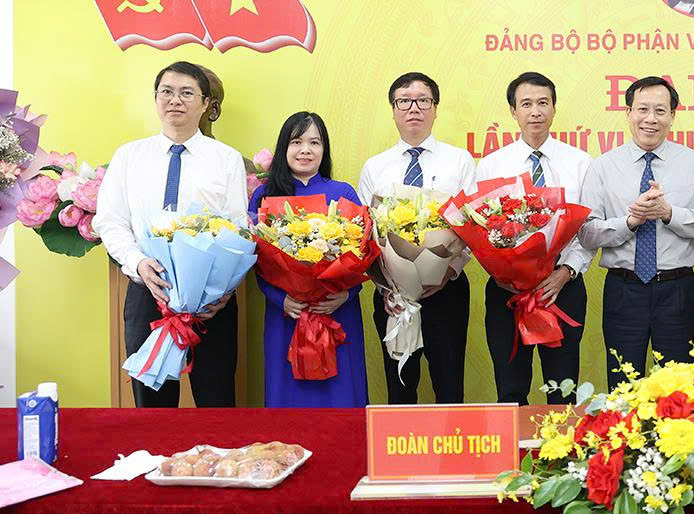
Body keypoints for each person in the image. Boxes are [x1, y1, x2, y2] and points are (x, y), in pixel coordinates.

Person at [94, 60, 247, 407]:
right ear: (156, 98)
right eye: (167, 91)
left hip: (211, 301)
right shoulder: (129, 156)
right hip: (148, 291)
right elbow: (110, 221)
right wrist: (138, 262)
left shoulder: (225, 159)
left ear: (205, 104)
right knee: (152, 405)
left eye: (186, 93)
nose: (175, 100)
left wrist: (223, 290)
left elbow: (238, 227)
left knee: (216, 400)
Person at [579, 76, 694, 389]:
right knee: (622, 386)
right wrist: (631, 221)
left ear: (672, 115)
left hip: (677, 290)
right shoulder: (604, 166)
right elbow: (586, 234)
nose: (651, 119)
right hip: (623, 290)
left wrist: (669, 214)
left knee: (679, 390)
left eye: (660, 110)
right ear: (628, 113)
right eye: (642, 109)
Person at [476, 72, 594, 405]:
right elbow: (479, 228)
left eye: (543, 103)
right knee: (510, 390)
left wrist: (565, 272)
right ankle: (516, 443)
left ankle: (561, 443)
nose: (535, 112)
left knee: (562, 389)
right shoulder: (491, 165)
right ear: (513, 111)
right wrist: (505, 274)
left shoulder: (581, 163)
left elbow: (589, 230)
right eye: (526, 104)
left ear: (554, 108)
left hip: (562, 286)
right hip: (507, 292)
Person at [358, 72, 476, 404]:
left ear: (435, 108)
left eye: (423, 100)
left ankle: (452, 442)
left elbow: (472, 228)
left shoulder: (460, 160)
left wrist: (448, 271)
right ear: (393, 109)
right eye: (404, 101)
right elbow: (366, 233)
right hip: (393, 297)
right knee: (400, 388)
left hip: (447, 290)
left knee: (449, 386)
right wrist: (387, 287)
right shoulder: (375, 167)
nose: (414, 108)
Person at [249, 111, 367, 407]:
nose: (305, 150)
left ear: (324, 149)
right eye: (297, 142)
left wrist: (347, 294)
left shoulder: (343, 193)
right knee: (289, 401)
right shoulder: (264, 196)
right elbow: (255, 261)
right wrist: (280, 299)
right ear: (284, 147)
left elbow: (363, 255)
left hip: (336, 312)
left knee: (341, 399)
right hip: (287, 314)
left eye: (314, 142)